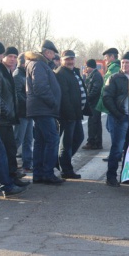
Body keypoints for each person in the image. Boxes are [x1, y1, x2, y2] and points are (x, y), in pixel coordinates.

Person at [25, 41, 63, 185]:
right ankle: (47, 173)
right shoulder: (39, 65)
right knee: (52, 139)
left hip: (39, 108)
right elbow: (40, 87)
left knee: (41, 141)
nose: (53, 56)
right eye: (52, 53)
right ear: (47, 52)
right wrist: (53, 102)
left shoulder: (37, 64)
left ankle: (39, 174)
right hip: (43, 109)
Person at [0, 41, 27, 196]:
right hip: (0, 117)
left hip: (3, 116)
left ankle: (9, 180)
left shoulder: (3, 71)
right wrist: (1, 110)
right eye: (7, 55)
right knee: (1, 151)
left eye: (15, 56)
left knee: (7, 149)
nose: (12, 59)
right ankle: (5, 184)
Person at [55, 50, 89, 179]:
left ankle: (64, 162)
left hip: (76, 114)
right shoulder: (60, 73)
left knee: (78, 138)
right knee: (66, 143)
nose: (70, 61)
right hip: (68, 115)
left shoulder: (73, 72)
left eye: (72, 59)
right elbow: (64, 97)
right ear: (62, 60)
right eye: (67, 59)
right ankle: (66, 169)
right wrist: (70, 114)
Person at [102, 52, 129, 187]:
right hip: (119, 118)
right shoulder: (114, 78)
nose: (124, 65)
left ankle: (126, 176)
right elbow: (107, 97)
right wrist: (117, 114)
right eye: (123, 62)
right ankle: (111, 177)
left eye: (127, 62)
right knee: (117, 148)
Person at [96, 48, 120, 162]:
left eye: (106, 57)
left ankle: (116, 154)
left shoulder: (115, 68)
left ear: (112, 57)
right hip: (109, 106)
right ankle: (116, 153)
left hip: (112, 106)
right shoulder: (111, 68)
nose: (105, 60)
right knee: (110, 128)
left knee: (113, 130)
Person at [13, 53, 34, 172]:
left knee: (28, 140)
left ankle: (27, 164)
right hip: (22, 113)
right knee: (18, 139)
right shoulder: (17, 75)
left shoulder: (25, 73)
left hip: (28, 112)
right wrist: (28, 102)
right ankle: (10, 163)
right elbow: (17, 94)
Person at [82, 59, 104, 150]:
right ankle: (96, 142)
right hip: (93, 103)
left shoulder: (96, 76)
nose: (86, 69)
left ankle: (93, 143)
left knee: (93, 123)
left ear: (90, 67)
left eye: (87, 67)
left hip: (94, 103)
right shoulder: (93, 75)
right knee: (95, 123)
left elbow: (95, 90)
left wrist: (87, 98)